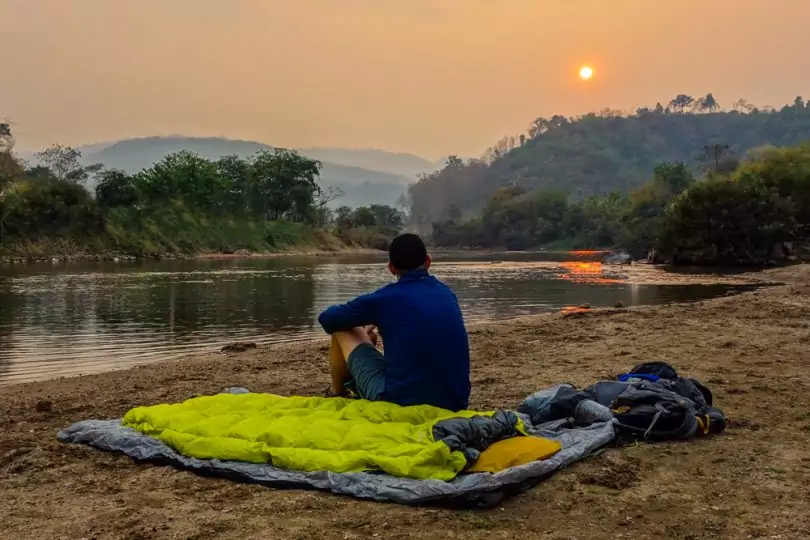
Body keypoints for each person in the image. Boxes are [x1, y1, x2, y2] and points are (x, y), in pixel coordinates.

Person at [317, 233, 471, 411]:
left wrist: (367, 321)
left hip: (400, 403)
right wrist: (374, 320)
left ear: (391, 268)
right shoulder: (447, 294)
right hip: (455, 403)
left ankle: (335, 393)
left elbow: (328, 319)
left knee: (342, 329)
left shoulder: (385, 298)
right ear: (428, 261)